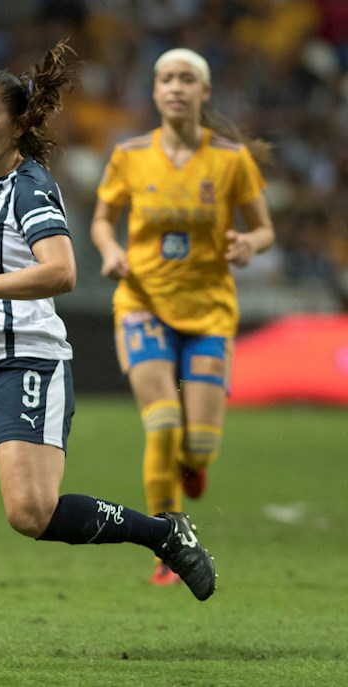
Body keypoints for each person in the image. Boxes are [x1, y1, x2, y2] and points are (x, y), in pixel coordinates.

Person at [0, 42, 218, 655]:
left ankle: (163, 534)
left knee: (30, 515)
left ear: (17, 124)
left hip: (27, 361)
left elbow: (61, 272)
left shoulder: (31, 187)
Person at [89, 47, 274, 585]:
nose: (175, 86)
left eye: (186, 79)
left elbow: (264, 228)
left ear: (204, 92)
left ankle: (195, 464)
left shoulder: (230, 160)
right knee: (163, 424)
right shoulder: (130, 155)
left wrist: (250, 243)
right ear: (154, 91)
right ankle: (169, 546)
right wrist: (110, 249)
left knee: (199, 446)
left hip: (209, 313)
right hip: (142, 303)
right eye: (166, 78)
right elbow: (102, 219)